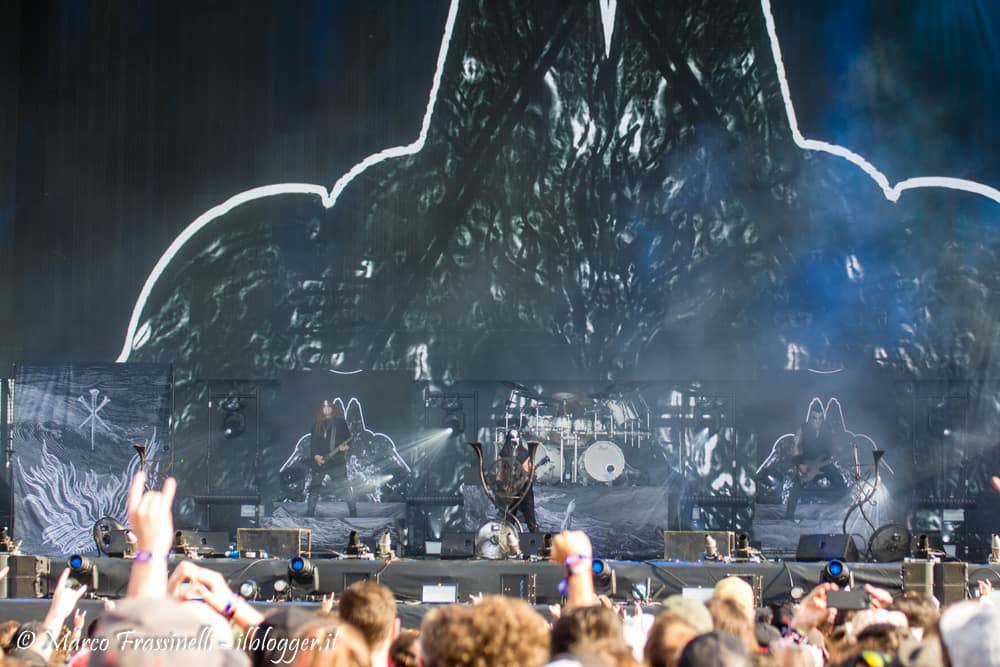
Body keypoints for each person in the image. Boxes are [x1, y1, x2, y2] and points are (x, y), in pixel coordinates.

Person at [784, 406, 847, 519]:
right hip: (807, 463)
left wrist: (838, 450)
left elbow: (835, 444)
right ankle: (789, 515)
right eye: (814, 418)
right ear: (810, 418)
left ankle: (845, 513)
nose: (817, 421)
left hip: (824, 462)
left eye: (820, 418)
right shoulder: (803, 429)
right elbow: (795, 447)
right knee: (796, 486)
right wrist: (799, 464)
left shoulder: (828, 428)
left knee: (839, 481)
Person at [307, 399, 355, 517]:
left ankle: (353, 513)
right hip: (320, 462)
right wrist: (316, 456)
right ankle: (309, 514)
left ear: (332, 409)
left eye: (329, 407)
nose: (327, 409)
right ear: (321, 409)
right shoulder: (316, 424)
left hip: (337, 461)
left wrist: (346, 447)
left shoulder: (340, 423)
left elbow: (349, 439)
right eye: (324, 407)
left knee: (345, 487)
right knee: (314, 489)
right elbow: (313, 443)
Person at [498, 429, 538, 532]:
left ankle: (536, 536)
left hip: (525, 491)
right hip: (510, 491)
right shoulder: (504, 454)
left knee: (530, 519)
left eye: (517, 437)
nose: (515, 440)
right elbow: (501, 472)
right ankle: (507, 538)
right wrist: (502, 484)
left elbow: (533, 474)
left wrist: (528, 477)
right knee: (509, 520)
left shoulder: (525, 454)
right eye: (512, 438)